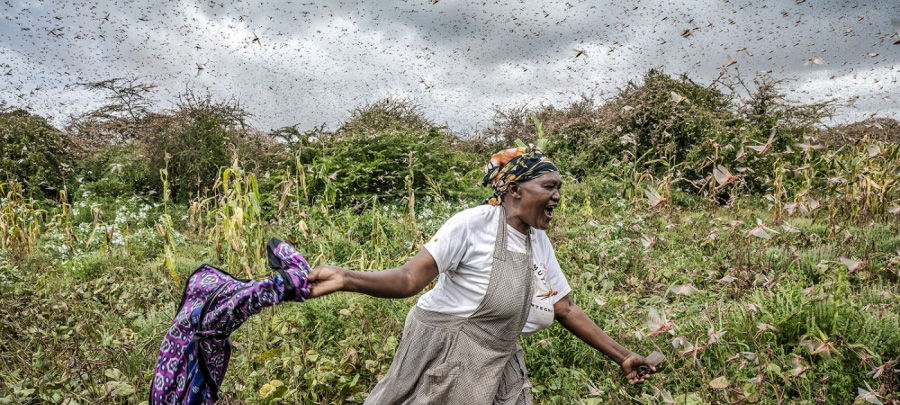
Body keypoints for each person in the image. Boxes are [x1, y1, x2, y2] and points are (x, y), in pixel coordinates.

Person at [308, 143, 655, 404]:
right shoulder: (472, 225)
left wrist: (624, 356)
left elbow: (562, 307)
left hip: (500, 356)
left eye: (559, 187)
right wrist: (347, 277)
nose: (557, 196)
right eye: (549, 186)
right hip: (446, 350)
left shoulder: (537, 239)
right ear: (515, 189)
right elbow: (408, 279)